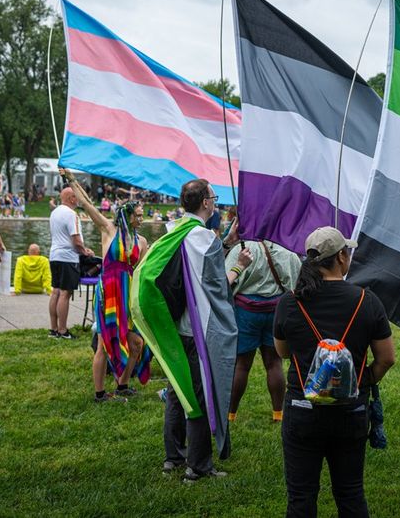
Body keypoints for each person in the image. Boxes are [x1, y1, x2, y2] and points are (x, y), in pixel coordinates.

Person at [274, 226, 396, 517]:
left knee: (301, 497)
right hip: (351, 411)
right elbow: (387, 358)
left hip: (302, 407)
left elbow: (282, 352)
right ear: (341, 257)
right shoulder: (367, 301)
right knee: (350, 493)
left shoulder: (290, 303)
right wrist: (361, 381)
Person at [133, 178, 240, 482]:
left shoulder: (172, 232)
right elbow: (218, 289)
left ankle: (173, 458)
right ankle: (199, 467)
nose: (215, 201)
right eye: (213, 197)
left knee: (177, 391)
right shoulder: (203, 238)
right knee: (200, 395)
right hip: (197, 331)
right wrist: (238, 265)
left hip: (175, 327)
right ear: (206, 203)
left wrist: (227, 241)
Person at [63, 169, 152, 402]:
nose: (141, 219)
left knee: (136, 343)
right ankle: (100, 393)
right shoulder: (109, 230)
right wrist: (71, 180)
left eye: (143, 215)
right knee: (103, 344)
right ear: (127, 215)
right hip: (109, 293)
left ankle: (122, 385)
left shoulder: (141, 241)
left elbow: (142, 270)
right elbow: (86, 204)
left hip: (127, 294)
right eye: (138, 215)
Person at [224, 219, 301, 424]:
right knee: (274, 363)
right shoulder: (287, 250)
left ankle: (230, 415)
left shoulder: (241, 249)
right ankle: (278, 414)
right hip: (276, 312)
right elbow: (295, 283)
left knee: (241, 365)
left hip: (245, 313)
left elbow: (224, 281)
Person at [49, 185, 93, 339]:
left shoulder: (55, 212)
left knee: (55, 292)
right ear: (71, 198)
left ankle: (53, 329)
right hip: (68, 257)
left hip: (54, 255)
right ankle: (63, 330)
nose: (79, 199)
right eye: (78, 196)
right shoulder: (72, 214)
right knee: (65, 294)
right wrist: (85, 251)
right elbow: (76, 240)